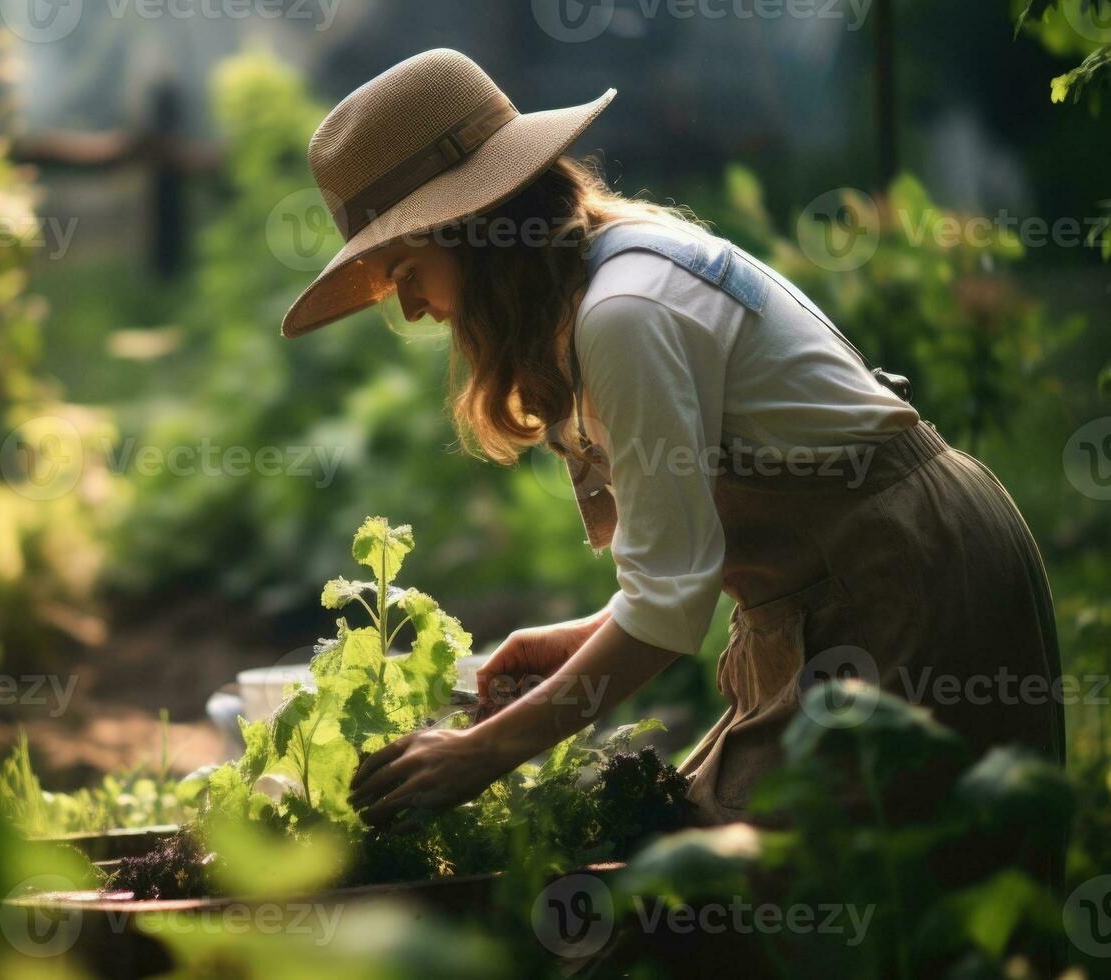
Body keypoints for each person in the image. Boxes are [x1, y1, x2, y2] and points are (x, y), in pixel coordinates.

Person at [281, 49, 1063, 844]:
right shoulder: (607, 266)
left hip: (906, 579)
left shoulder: (624, 314)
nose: (412, 309)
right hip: (874, 572)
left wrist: (476, 755)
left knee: (789, 904)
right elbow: (678, 571)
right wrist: (577, 641)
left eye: (407, 269)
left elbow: (667, 607)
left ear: (473, 229)